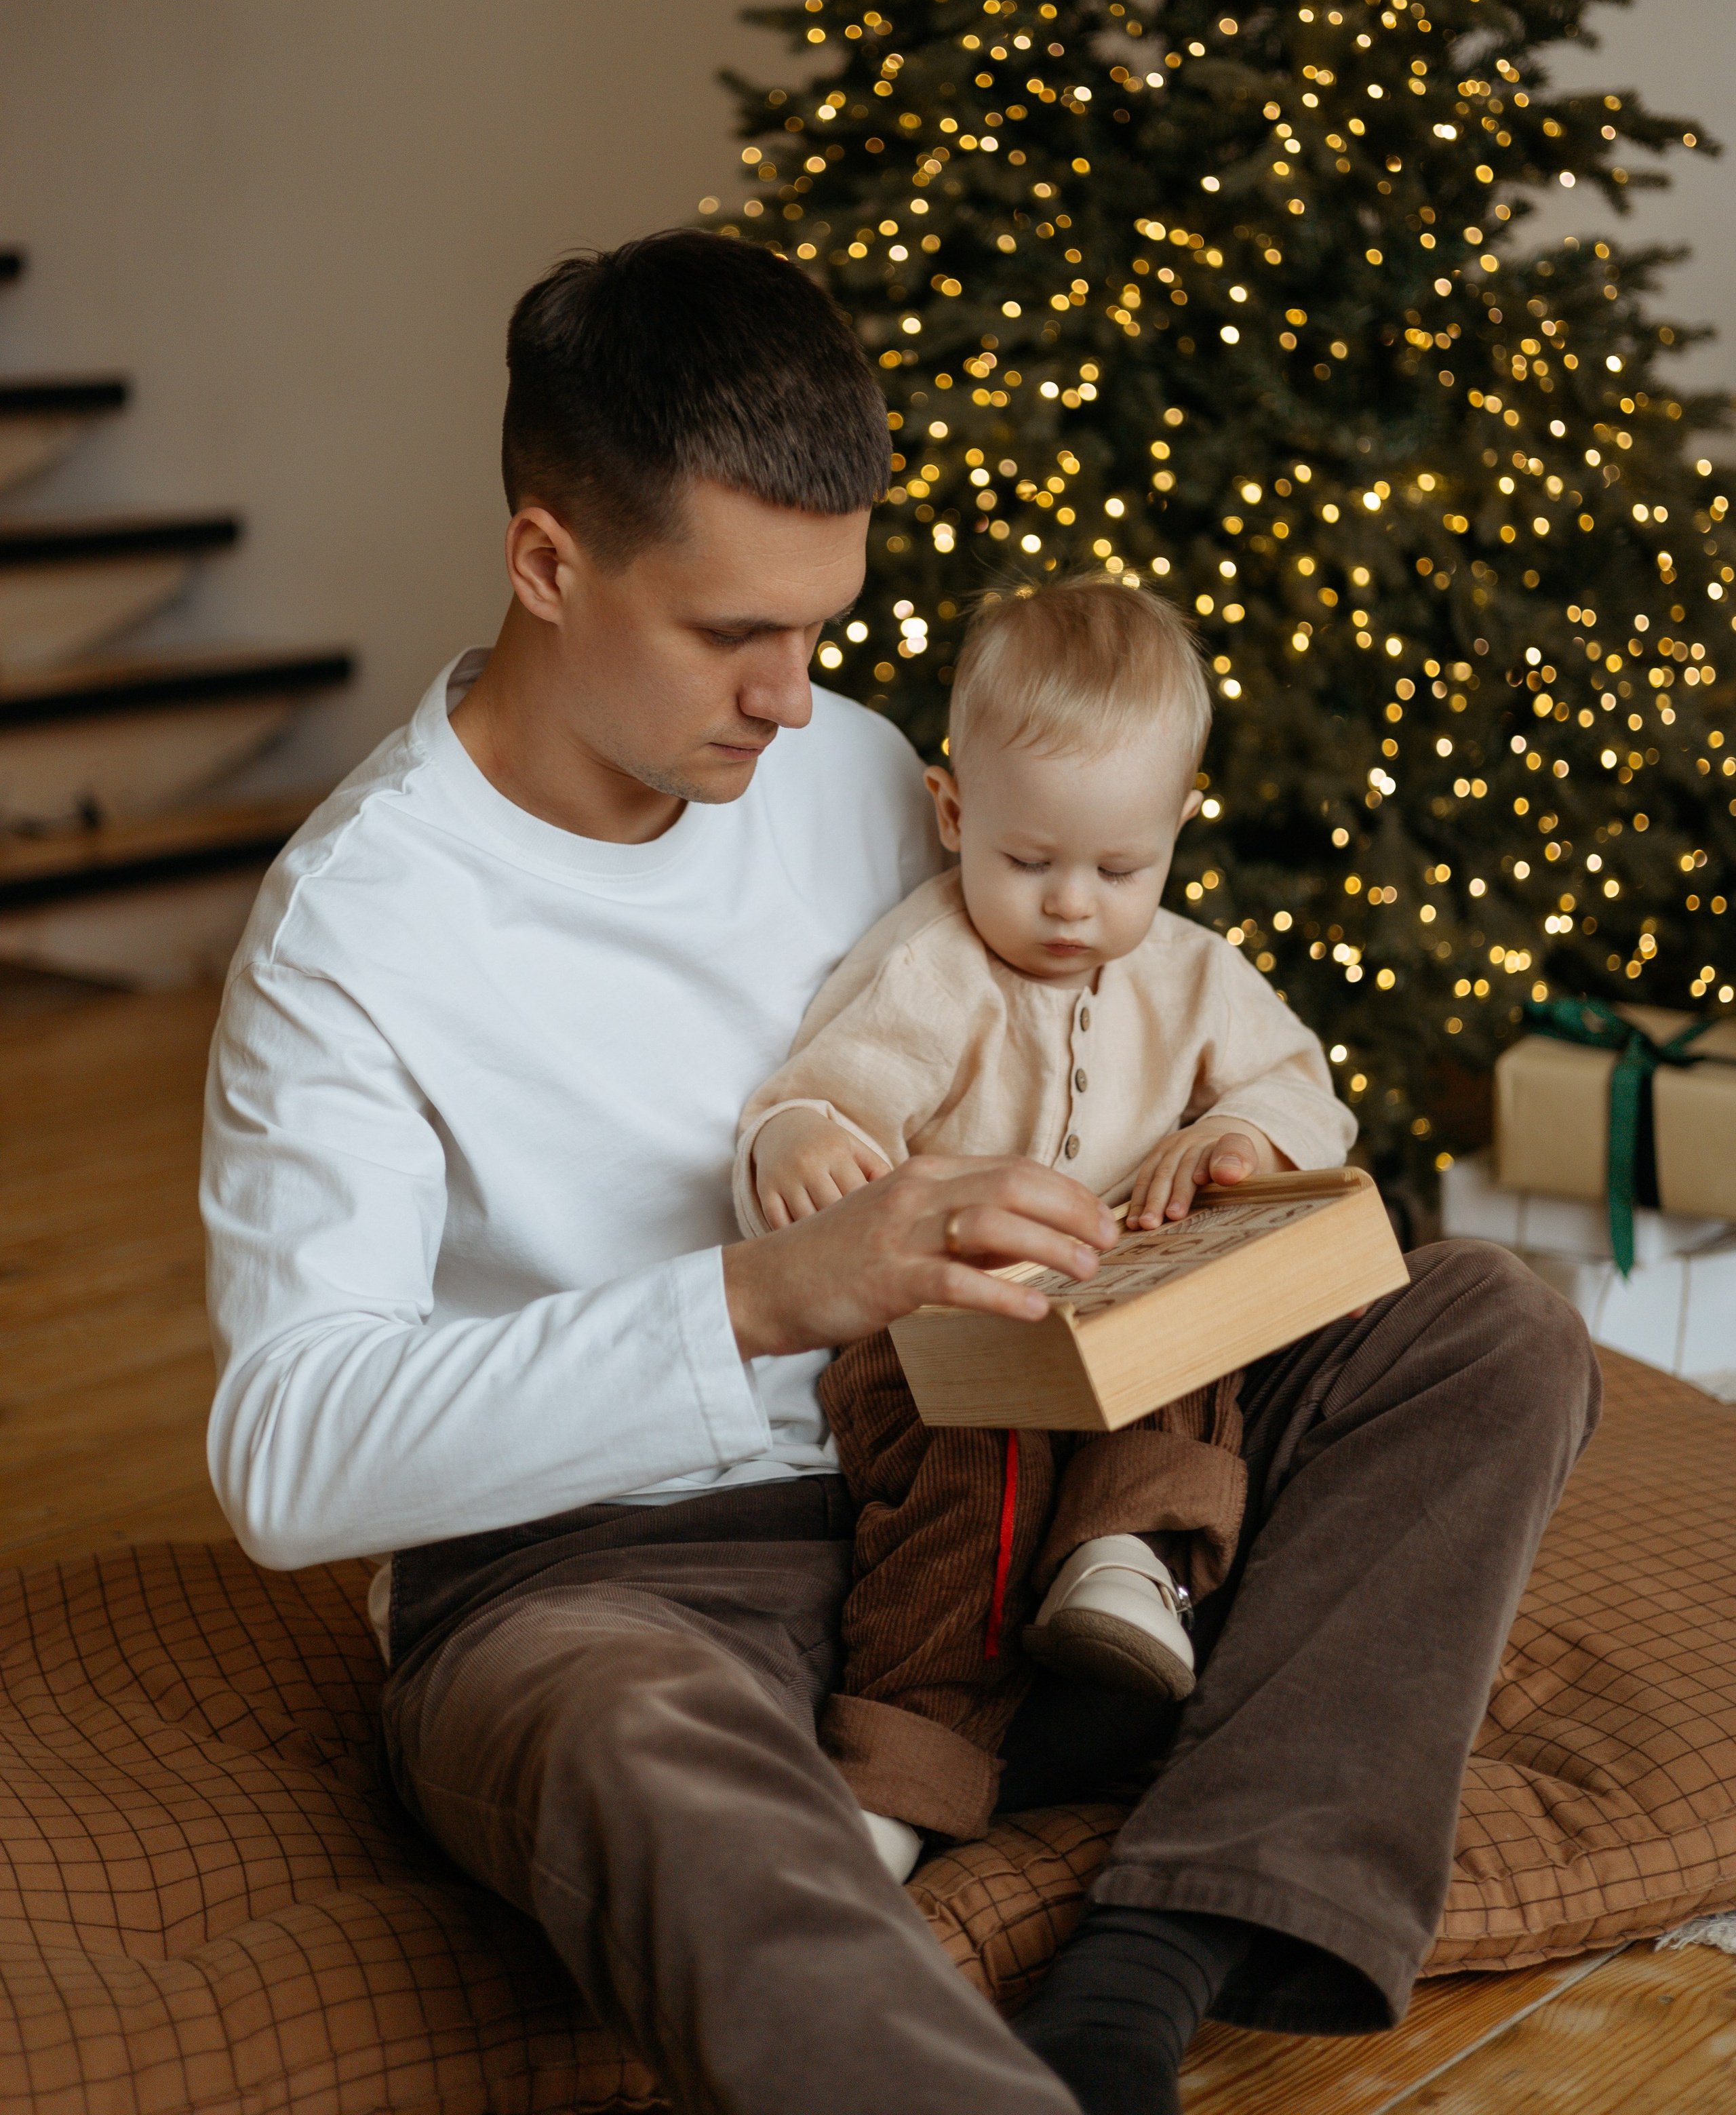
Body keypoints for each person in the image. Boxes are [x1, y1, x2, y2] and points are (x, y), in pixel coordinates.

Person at [203, 230, 1600, 2115]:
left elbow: (1121, 1008)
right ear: (548, 561)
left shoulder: (867, 773)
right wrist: (778, 1287)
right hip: (622, 1569)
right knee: (631, 1748)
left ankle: (1161, 1950)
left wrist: (1202, 1184)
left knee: (1480, 1328)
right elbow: (289, 1453)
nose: (794, 699)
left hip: (998, 1460)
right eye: (730, 635)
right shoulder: (355, 928)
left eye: (823, 629)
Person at [734, 576, 1358, 1883]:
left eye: (1121, 869)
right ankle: (902, 1776)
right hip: (944, 1354)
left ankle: (1129, 1565)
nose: (1074, 905)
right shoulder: (931, 968)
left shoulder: (1191, 975)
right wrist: (796, 1143)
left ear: (1179, 832)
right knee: (964, 1495)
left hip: (1120, 1322)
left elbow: (1305, 1092)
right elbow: (820, 1096)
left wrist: (1241, 1139)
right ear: (955, 815)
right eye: (1029, 863)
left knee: (1188, 1343)